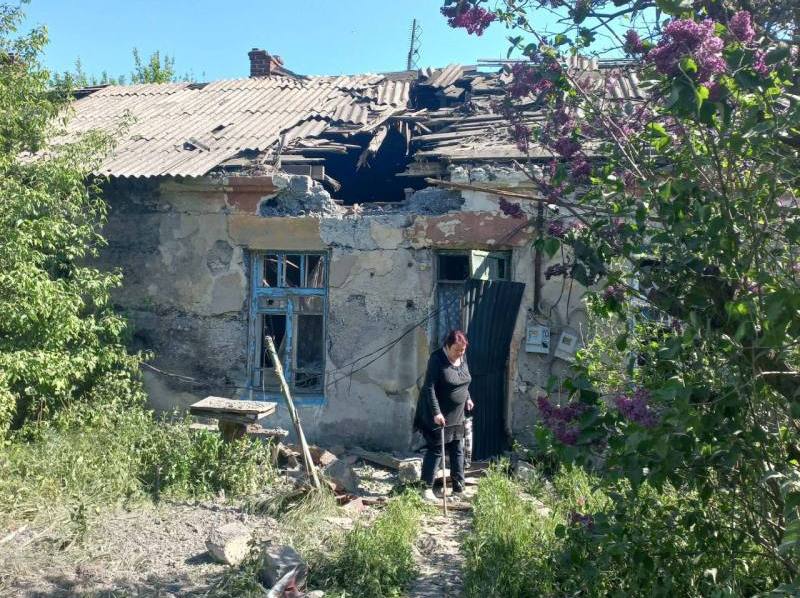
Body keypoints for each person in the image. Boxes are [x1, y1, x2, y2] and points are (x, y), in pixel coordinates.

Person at [414, 329, 474, 501]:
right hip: (439, 413)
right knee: (436, 450)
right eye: (456, 350)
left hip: (458, 414)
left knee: (457, 449)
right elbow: (429, 387)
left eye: (463, 350)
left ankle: (458, 489)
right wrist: (436, 412)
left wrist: (468, 398)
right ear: (447, 346)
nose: (460, 353)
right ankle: (426, 489)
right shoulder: (437, 359)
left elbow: (464, 380)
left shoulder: (462, 357)